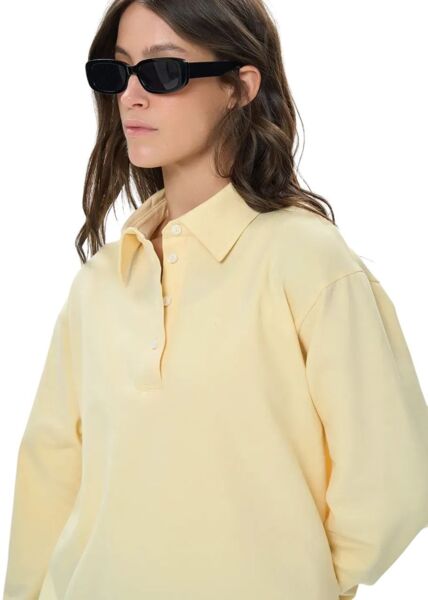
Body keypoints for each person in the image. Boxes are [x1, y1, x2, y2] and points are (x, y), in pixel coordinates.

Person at [3, 1, 428, 599]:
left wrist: (295, 581)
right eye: (117, 71)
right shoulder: (100, 283)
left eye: (163, 71)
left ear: (240, 86)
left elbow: (392, 482)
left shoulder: (307, 262)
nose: (131, 96)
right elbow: (48, 478)